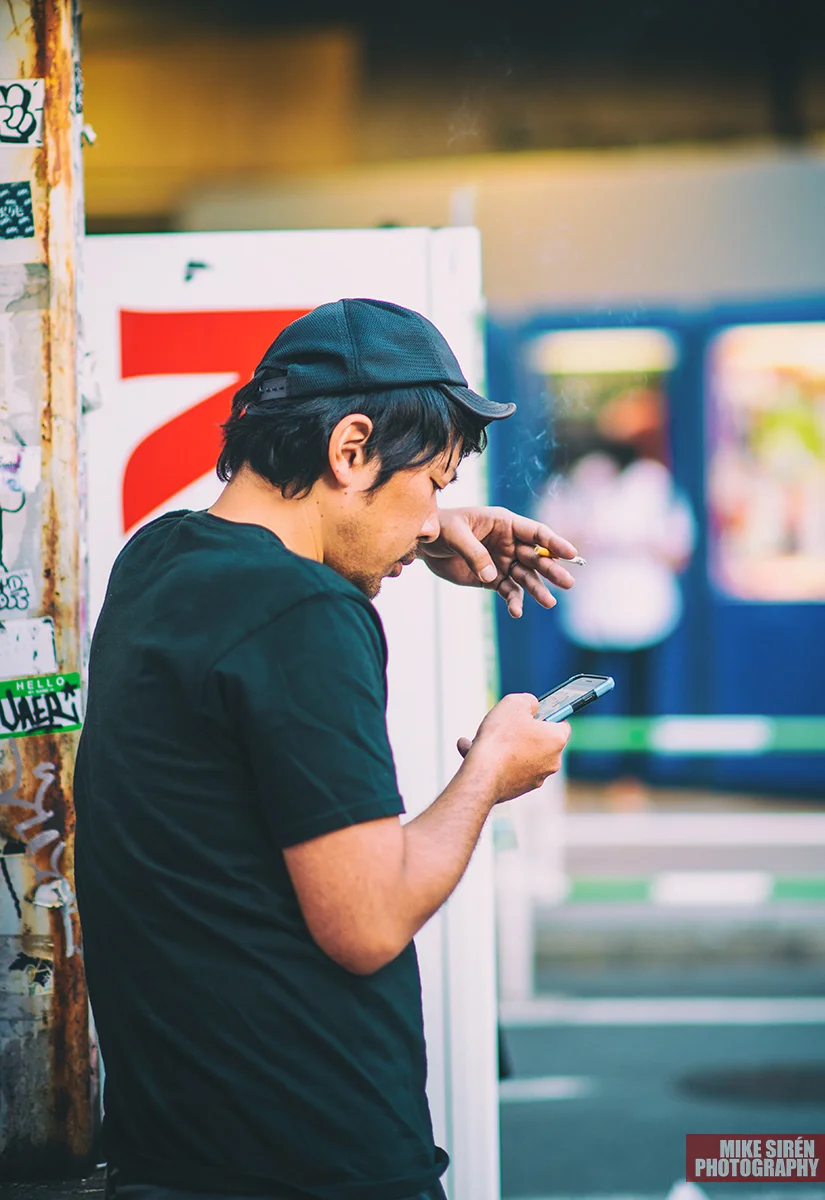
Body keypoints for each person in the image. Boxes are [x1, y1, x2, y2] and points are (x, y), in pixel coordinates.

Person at [74, 299, 578, 1200]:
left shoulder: (156, 560)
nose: (432, 519)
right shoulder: (307, 612)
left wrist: (418, 524)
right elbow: (367, 920)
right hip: (311, 1159)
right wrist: (488, 774)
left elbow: (268, 584)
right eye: (434, 482)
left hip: (177, 1150)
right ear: (350, 449)